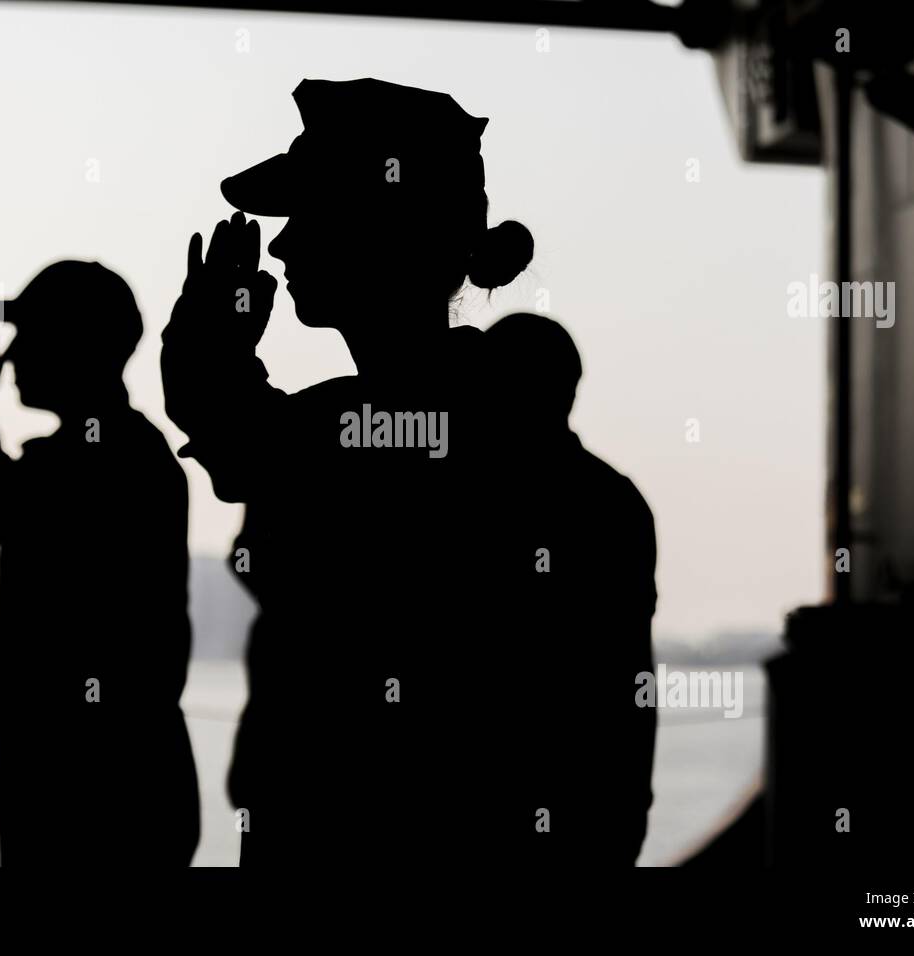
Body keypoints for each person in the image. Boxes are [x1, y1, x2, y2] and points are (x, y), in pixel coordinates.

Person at [161, 78, 534, 866]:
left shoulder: (378, 429)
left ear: (385, 228)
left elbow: (261, 447)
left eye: (310, 214)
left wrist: (209, 345)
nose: (286, 244)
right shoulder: (468, 412)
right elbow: (256, 442)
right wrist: (211, 353)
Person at [0, 260, 199, 867]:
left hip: (91, 805)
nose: (15, 354)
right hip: (121, 797)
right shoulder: (124, 451)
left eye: (31, 334)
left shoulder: (100, 459)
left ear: (73, 346)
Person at [485, 312, 658, 865]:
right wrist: (632, 800)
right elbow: (632, 671)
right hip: (594, 798)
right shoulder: (616, 503)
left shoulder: (471, 503)